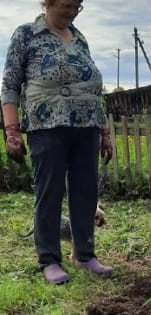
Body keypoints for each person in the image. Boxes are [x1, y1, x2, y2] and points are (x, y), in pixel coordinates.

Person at [1, 0, 113, 284]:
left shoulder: (80, 38)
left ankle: (84, 255)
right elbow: (10, 85)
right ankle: (49, 260)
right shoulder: (26, 35)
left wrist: (104, 132)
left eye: (78, 6)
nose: (73, 10)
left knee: (86, 193)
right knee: (49, 193)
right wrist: (11, 131)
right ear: (48, 2)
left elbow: (93, 88)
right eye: (66, 4)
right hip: (47, 126)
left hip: (87, 126)